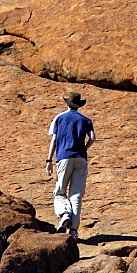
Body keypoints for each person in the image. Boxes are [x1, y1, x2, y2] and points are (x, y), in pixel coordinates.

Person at [46, 91, 95, 239]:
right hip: (81, 159)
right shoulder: (86, 120)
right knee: (76, 196)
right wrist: (83, 149)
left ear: (67, 103)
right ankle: (73, 231)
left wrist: (49, 161)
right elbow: (93, 138)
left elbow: (54, 140)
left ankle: (64, 213)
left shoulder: (59, 118)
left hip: (64, 157)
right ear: (79, 105)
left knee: (60, 192)